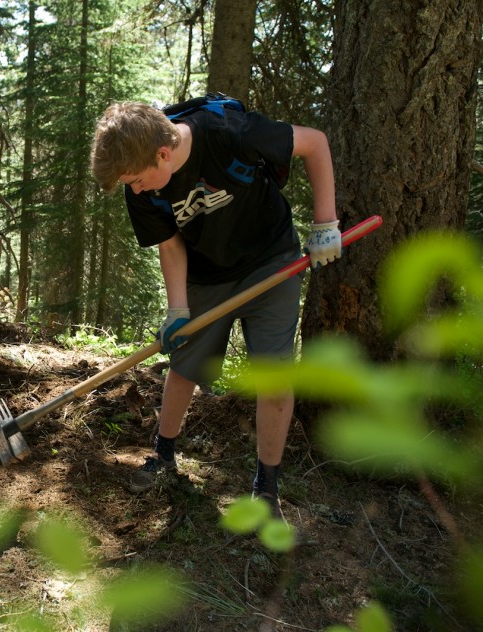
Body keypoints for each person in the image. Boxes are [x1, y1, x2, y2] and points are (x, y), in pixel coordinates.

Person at [90, 100, 341, 520]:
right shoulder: (142, 183)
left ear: (163, 154)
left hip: (271, 260)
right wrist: (178, 310)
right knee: (186, 365)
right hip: (206, 273)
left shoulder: (230, 131)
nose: (135, 190)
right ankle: (164, 454)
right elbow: (170, 244)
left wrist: (325, 223)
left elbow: (315, 143)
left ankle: (266, 488)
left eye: (135, 181)